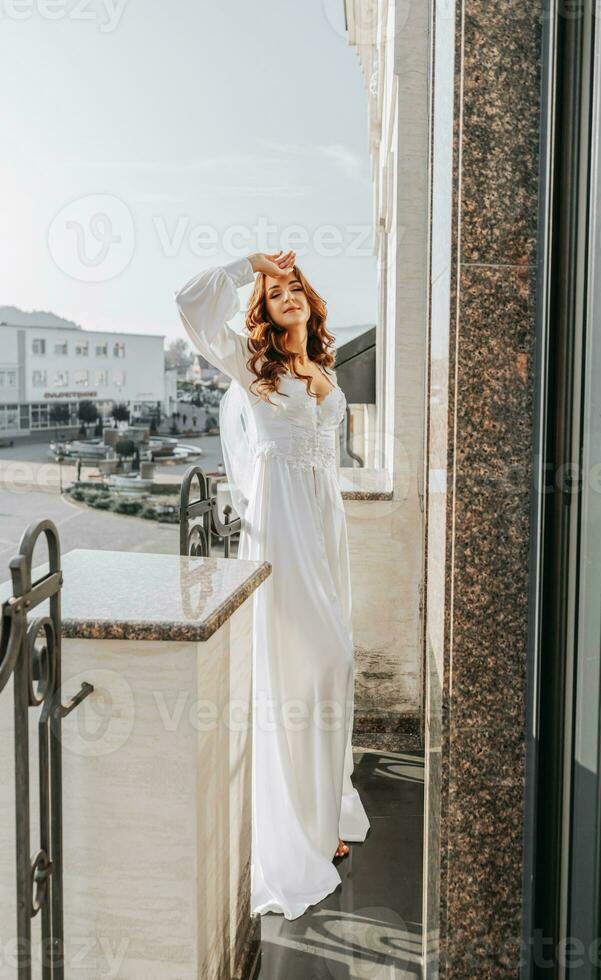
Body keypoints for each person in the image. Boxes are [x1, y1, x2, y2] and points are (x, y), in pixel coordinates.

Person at [174, 250, 370, 920]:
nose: (288, 295)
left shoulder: (323, 369)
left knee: (327, 676)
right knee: (314, 665)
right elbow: (190, 300)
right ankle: (293, 835)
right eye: (276, 290)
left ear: (313, 304)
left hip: (325, 530)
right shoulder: (249, 366)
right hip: (282, 536)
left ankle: (319, 822)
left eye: (297, 289)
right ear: (263, 308)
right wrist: (246, 264)